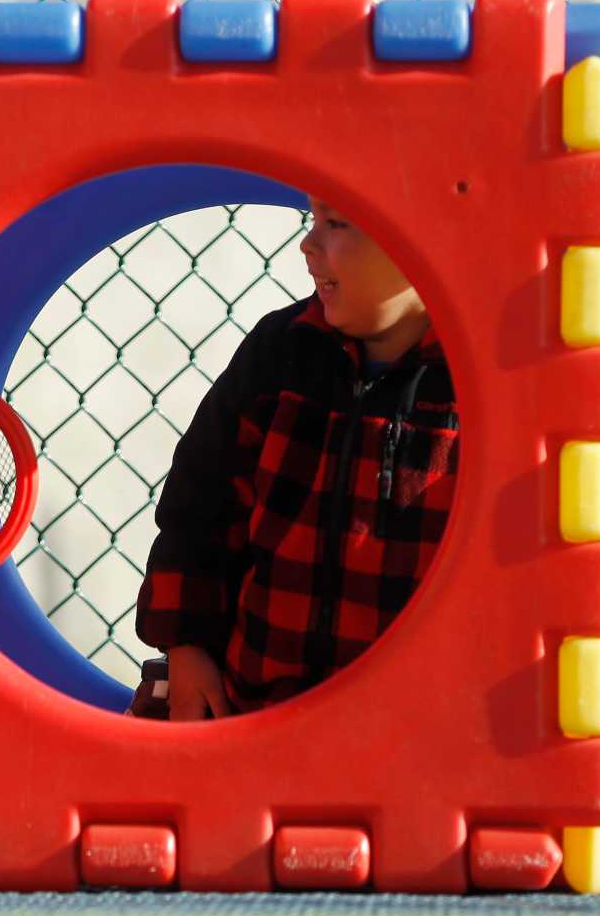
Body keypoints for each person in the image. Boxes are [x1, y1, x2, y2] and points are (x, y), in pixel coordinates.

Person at [128, 198, 457, 721]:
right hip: (257, 701)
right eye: (312, 220)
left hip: (410, 723)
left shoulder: (477, 382)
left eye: (335, 223)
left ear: (418, 241)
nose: (308, 243)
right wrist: (186, 648)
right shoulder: (282, 352)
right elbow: (201, 508)